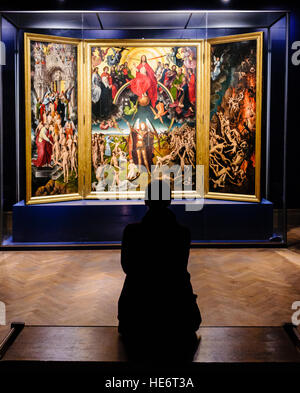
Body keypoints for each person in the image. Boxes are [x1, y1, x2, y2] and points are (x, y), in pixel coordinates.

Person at [118, 179, 201, 361]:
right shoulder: (182, 233)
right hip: (177, 315)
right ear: (170, 201)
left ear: (146, 201)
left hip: (136, 315)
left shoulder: (131, 232)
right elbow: (178, 268)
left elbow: (127, 267)